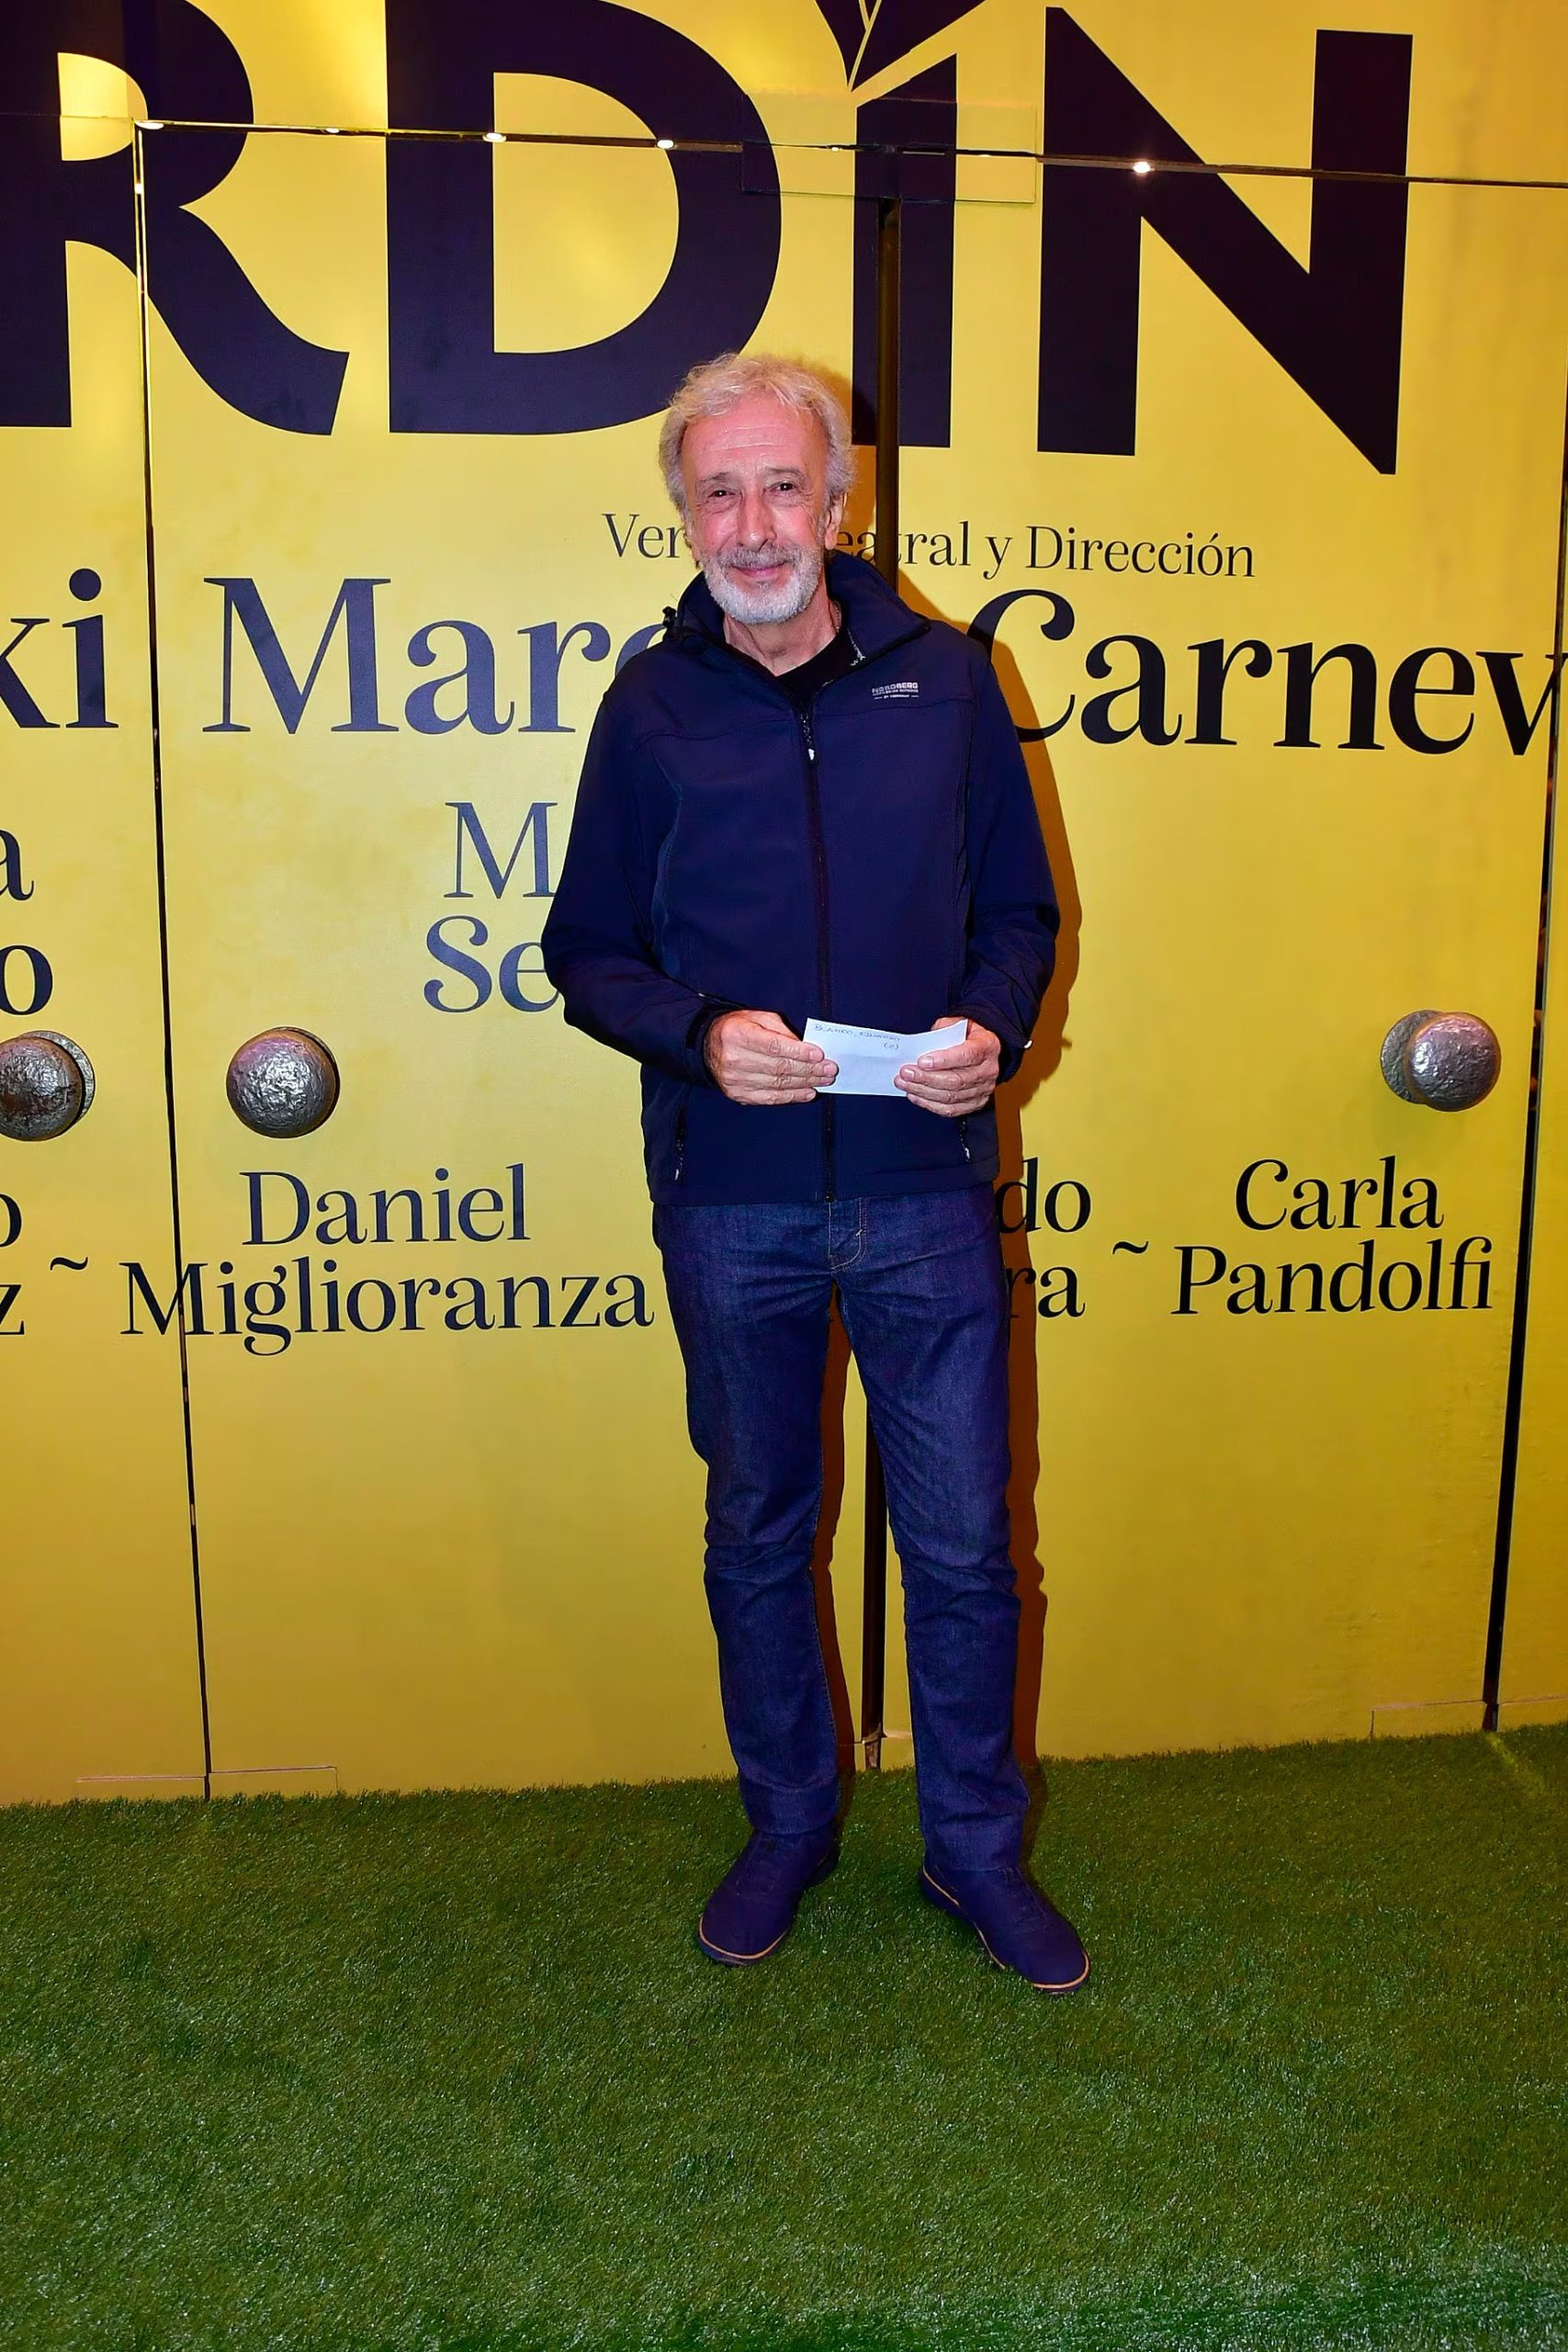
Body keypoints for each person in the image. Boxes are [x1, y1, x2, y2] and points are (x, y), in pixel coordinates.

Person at [541, 352, 1088, 1993]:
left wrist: (990, 1032)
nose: (755, 520)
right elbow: (585, 954)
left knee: (967, 1545)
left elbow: (1021, 921)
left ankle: (976, 1855)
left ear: (841, 499)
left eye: (785, 485)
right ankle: (788, 1825)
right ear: (683, 511)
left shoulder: (948, 678)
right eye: (720, 490)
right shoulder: (650, 705)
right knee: (762, 1530)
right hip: (735, 1198)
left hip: (924, 1184)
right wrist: (702, 1033)